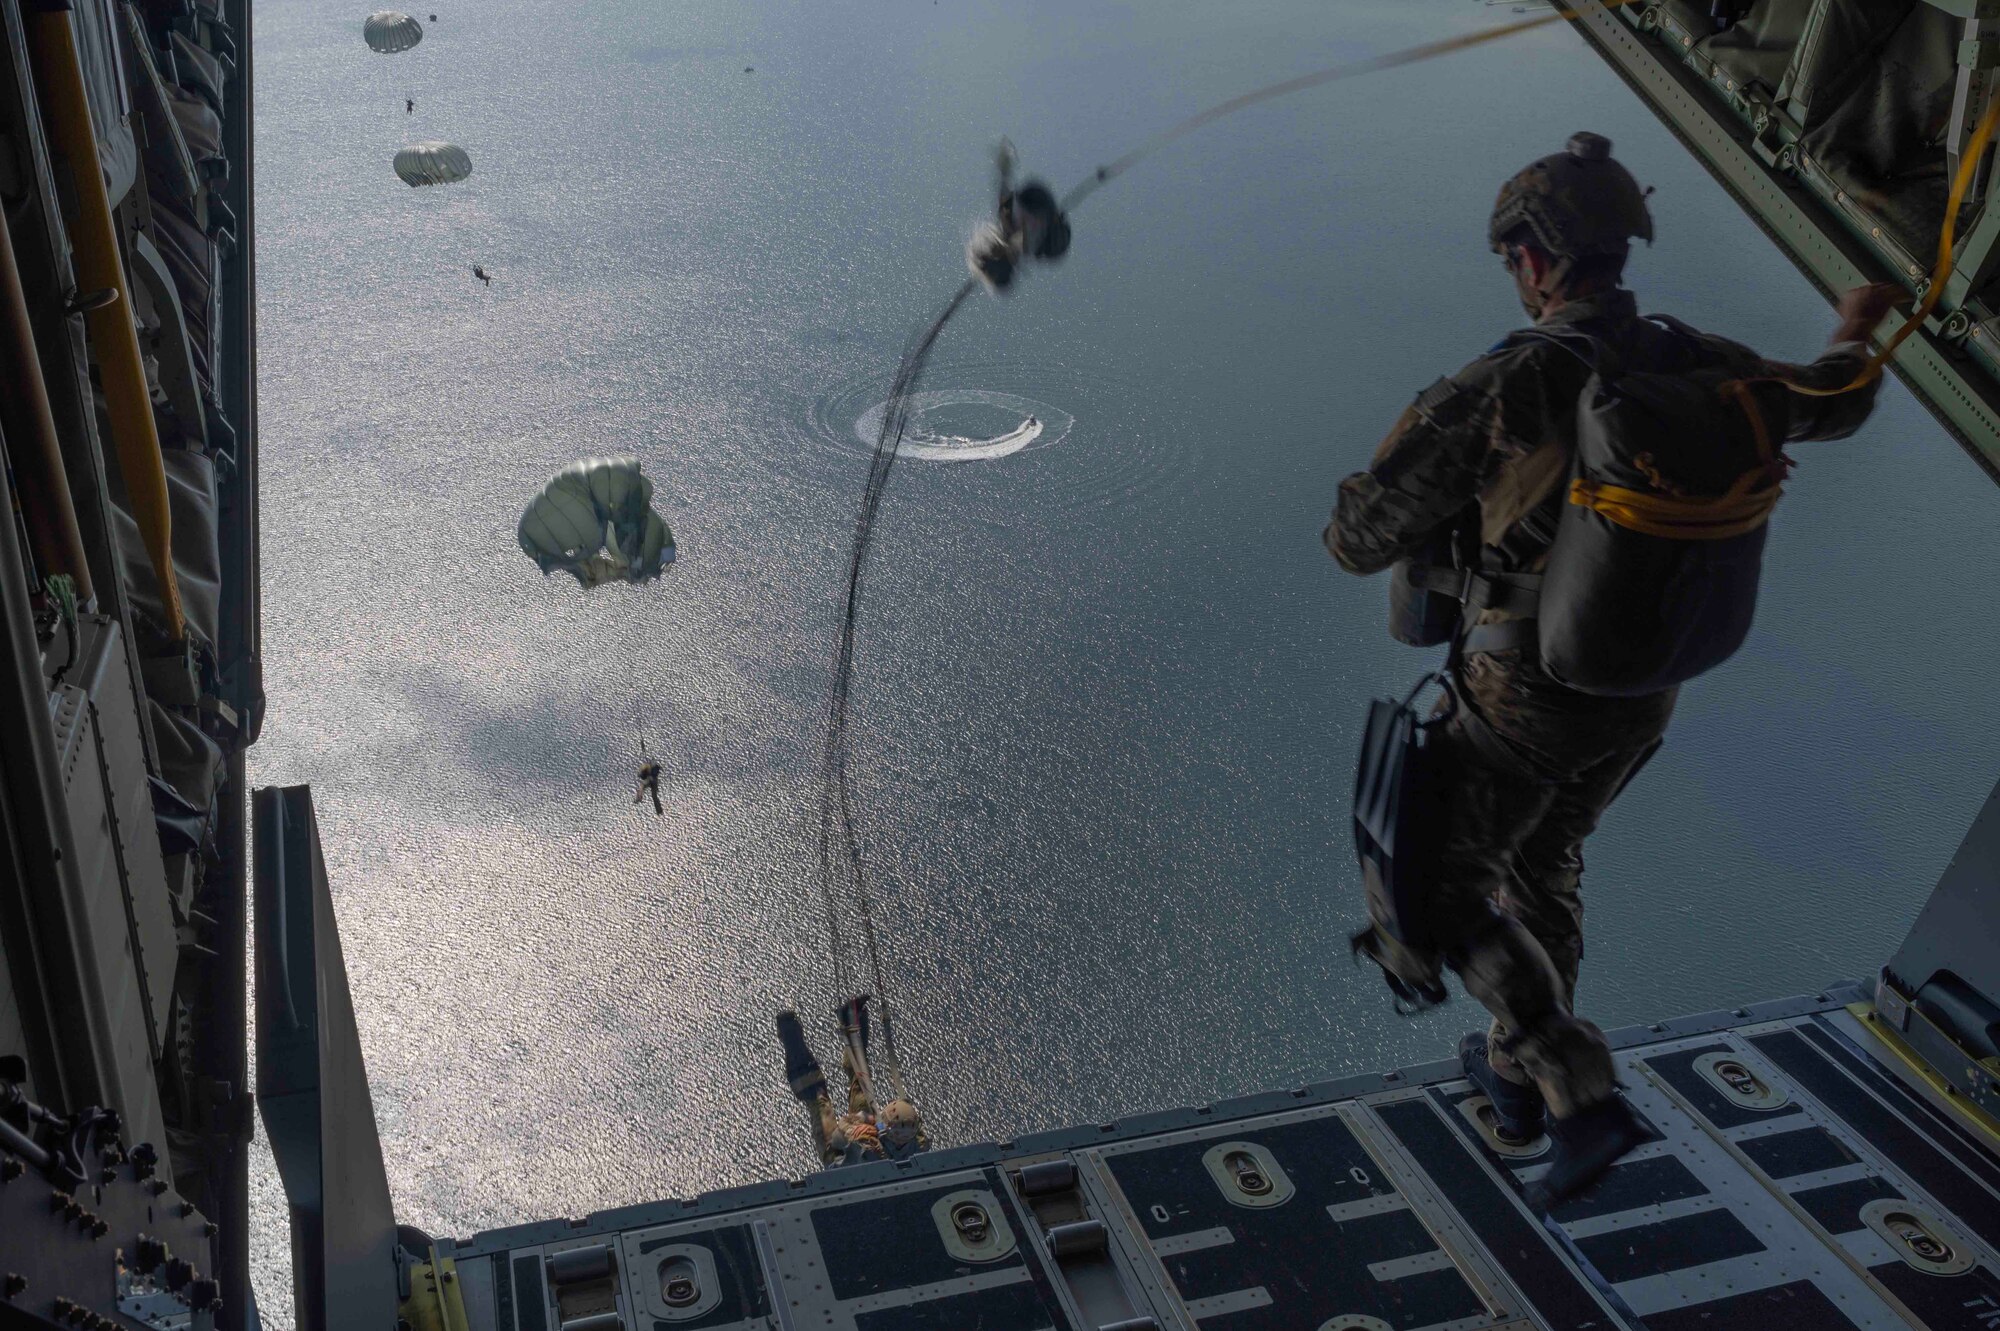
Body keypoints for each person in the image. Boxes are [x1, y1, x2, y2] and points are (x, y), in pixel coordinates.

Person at [1324, 131, 1895, 1200]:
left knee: (1427, 893)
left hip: (1522, 694)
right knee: (1540, 866)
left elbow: (1357, 537)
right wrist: (1860, 320)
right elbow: (1840, 394)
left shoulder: (1516, 376)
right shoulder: (1701, 361)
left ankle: (1571, 1088)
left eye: (1510, 257)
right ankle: (1509, 1083)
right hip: (1637, 696)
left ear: (1534, 258)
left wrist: (1412, 469)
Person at [776, 997, 929, 1167]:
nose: (901, 1139)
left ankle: (791, 1036)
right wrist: (869, 1121)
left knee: (819, 1102)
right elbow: (914, 1130)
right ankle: (853, 1022)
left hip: (838, 1154)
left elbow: (838, 1136)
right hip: (865, 1132)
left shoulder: (868, 1145)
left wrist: (863, 1121)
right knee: (862, 1083)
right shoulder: (918, 1142)